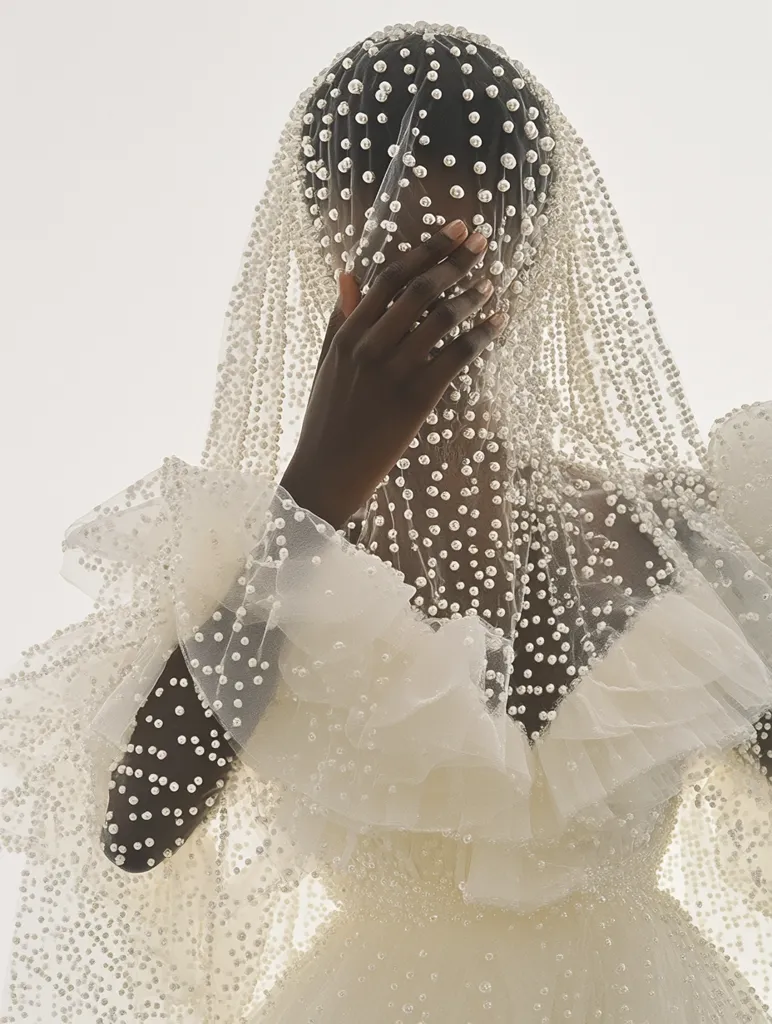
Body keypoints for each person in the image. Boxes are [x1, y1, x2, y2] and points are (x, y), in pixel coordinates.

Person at [2, 20, 772, 1023]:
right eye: (392, 273)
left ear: (534, 260)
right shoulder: (258, 560)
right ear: (330, 261)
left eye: (457, 267)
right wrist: (314, 491)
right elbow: (137, 823)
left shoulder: (673, 531)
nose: (430, 312)